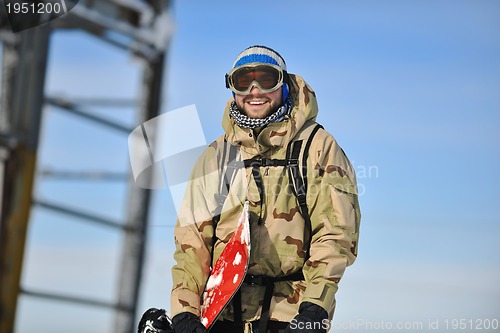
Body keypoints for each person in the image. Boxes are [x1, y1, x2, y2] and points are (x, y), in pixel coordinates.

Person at [170, 45, 361, 333]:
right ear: (232, 88)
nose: (255, 90)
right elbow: (191, 239)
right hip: (221, 313)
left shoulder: (317, 147)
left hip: (290, 315)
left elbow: (336, 231)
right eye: (244, 81)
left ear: (284, 84)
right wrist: (184, 311)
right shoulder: (216, 156)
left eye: (267, 79)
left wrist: (315, 306)